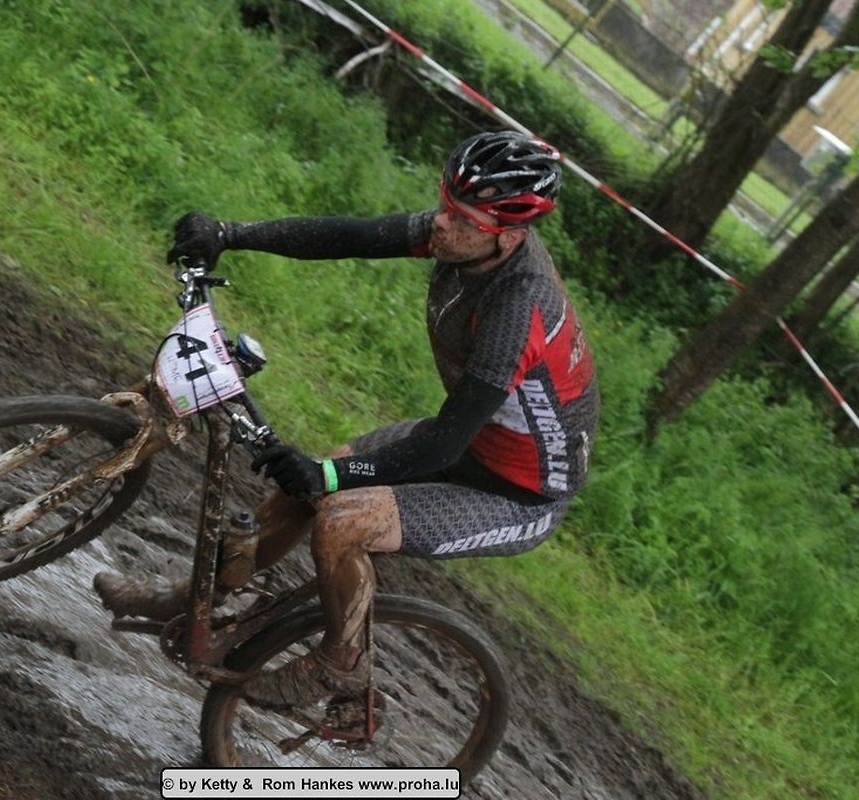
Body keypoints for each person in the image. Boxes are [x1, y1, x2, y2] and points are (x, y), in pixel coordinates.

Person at [94, 130, 599, 708]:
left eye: (462, 219)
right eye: (444, 203)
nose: (440, 223)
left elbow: (442, 442)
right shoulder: (470, 239)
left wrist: (330, 478)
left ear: (507, 236)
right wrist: (230, 235)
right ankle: (192, 601)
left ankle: (342, 666)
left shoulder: (516, 311)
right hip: (475, 442)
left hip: (520, 493)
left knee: (340, 519)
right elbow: (351, 236)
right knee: (307, 487)